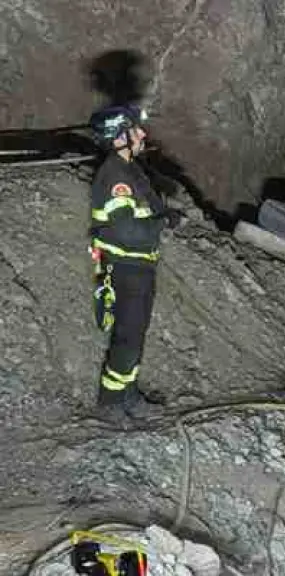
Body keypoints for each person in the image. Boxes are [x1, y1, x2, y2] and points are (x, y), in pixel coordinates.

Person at [88, 104, 180, 423]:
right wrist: (161, 224)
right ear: (118, 138)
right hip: (125, 269)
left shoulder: (130, 170)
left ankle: (127, 393)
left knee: (135, 334)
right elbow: (127, 229)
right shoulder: (115, 176)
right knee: (127, 335)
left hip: (138, 267)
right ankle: (111, 403)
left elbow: (146, 208)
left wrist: (163, 210)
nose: (142, 134)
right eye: (134, 130)